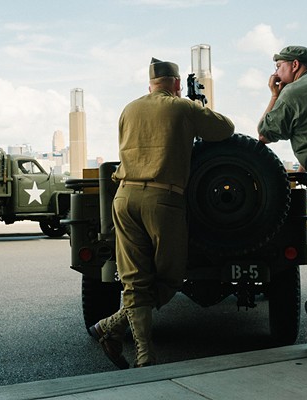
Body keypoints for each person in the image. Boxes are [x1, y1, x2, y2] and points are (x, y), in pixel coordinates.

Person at [89, 57, 234, 368]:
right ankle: (115, 330)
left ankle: (137, 350)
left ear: (150, 84)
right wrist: (196, 107)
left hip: (124, 197)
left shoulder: (129, 108)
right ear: (177, 84)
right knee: (168, 279)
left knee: (134, 280)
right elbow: (225, 129)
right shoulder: (182, 107)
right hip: (162, 200)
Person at [258, 45, 307, 347]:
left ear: (295, 66)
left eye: (279, 67)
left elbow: (264, 134)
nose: (275, 74)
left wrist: (275, 93)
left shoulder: (293, 93)